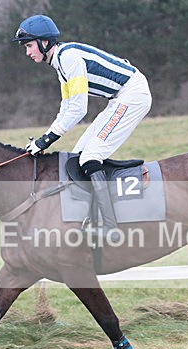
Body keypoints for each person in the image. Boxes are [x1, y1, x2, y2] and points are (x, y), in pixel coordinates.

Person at [12, 14, 152, 243]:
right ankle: (90, 217)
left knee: (90, 156)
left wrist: (46, 141)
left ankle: (110, 226)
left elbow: (78, 110)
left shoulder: (69, 59)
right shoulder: (60, 63)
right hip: (119, 98)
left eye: (29, 46)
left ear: (44, 42)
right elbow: (66, 107)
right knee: (77, 158)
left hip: (132, 95)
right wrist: (43, 139)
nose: (27, 52)